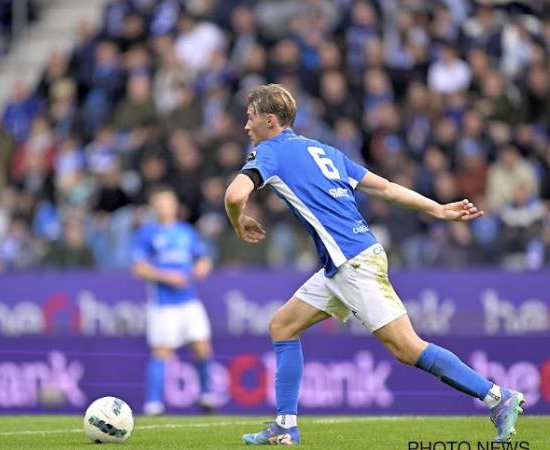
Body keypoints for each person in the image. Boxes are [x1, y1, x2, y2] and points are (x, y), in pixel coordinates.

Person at [224, 84, 524, 445]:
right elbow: (384, 188)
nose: (246, 126)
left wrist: (238, 222)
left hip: (353, 263)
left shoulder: (268, 152)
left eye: (250, 117)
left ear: (269, 120)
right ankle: (285, 426)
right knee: (283, 325)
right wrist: (437, 208)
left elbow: (234, 194)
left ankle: (497, 397)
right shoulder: (324, 150)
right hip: (345, 261)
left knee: (407, 348)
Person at [131, 185, 214, 416]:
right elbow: (139, 268)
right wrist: (167, 277)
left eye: (167, 202)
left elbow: (203, 259)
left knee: (203, 347)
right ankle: (153, 404)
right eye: (159, 203)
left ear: (174, 206)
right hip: (163, 304)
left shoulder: (186, 232)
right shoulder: (147, 233)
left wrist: (201, 268)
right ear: (153, 207)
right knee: (162, 352)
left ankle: (207, 396)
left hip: (189, 301)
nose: (163, 207)